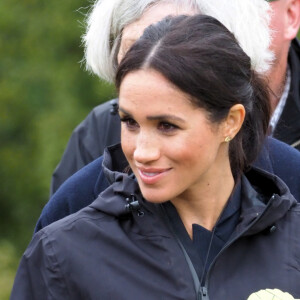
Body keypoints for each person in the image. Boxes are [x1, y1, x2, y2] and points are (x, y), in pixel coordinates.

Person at [11, 15, 300, 299]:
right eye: (130, 122)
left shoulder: (293, 242)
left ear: (231, 122)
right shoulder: (63, 254)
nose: (142, 152)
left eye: (167, 126)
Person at [50, 0, 300, 195]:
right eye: (136, 47)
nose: (152, 61)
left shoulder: (288, 174)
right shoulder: (97, 136)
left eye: (176, 48)